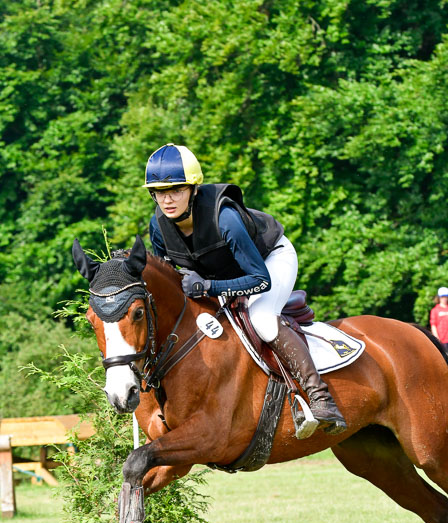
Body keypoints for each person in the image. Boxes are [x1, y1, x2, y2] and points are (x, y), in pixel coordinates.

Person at [145, 143, 346, 437]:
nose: (168, 199)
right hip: (225, 274)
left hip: (269, 260)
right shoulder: (158, 227)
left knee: (262, 319)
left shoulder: (224, 217)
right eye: (160, 192)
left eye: (176, 189)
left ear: (194, 189)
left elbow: (260, 280)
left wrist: (210, 286)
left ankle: (320, 399)